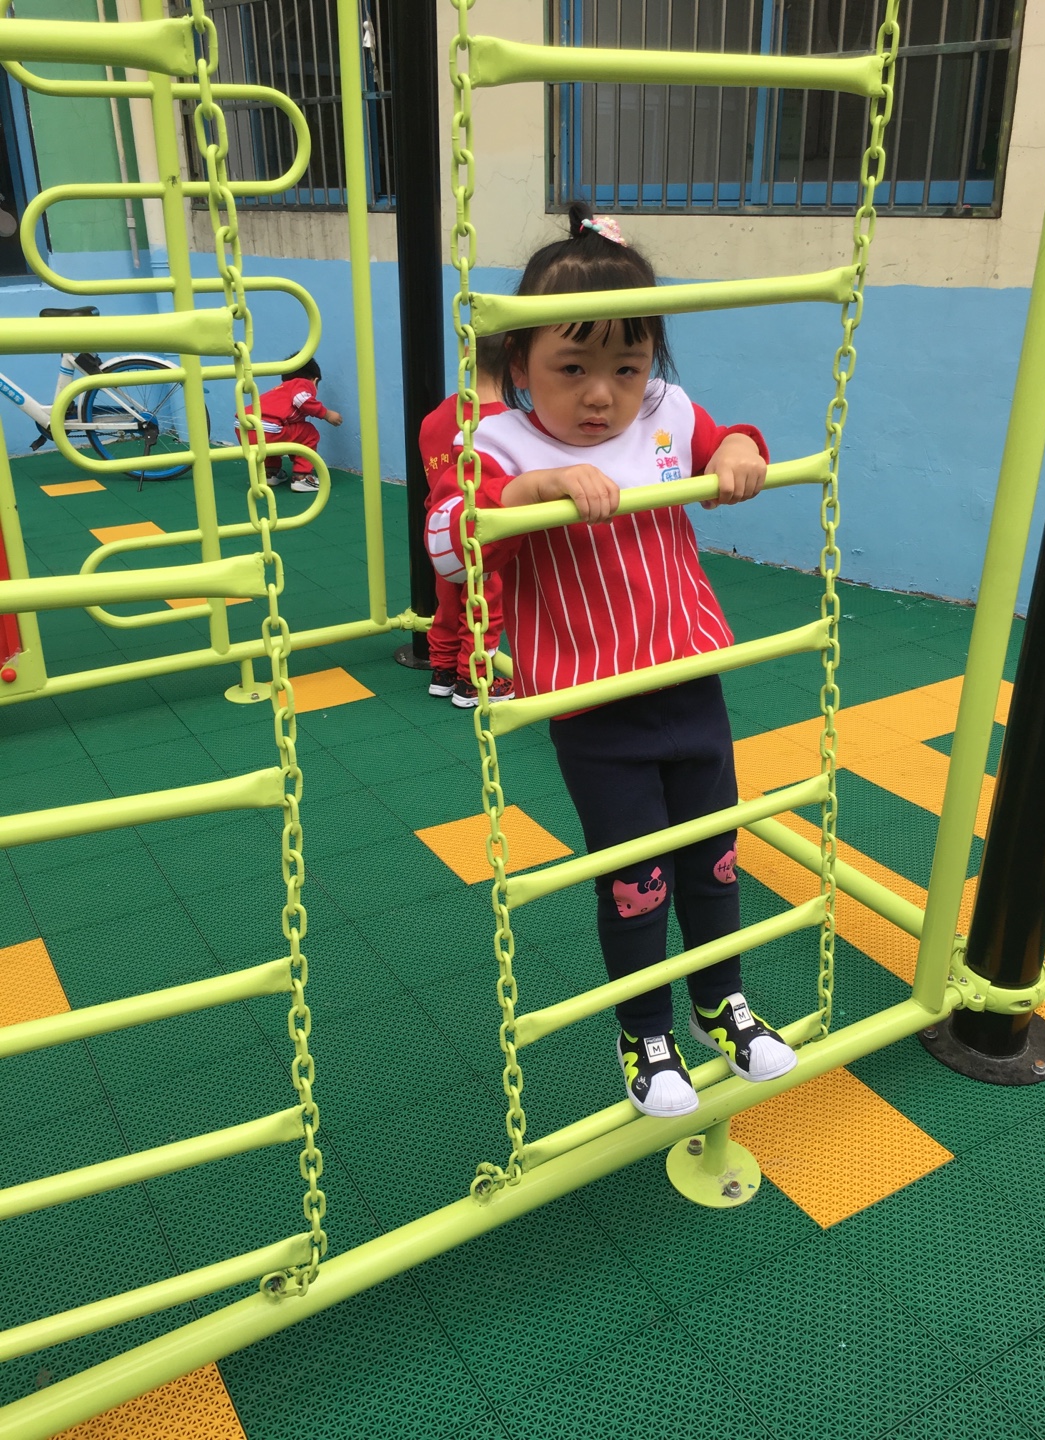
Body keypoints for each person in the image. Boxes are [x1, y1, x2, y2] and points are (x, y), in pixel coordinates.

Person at [425, 204, 797, 1120]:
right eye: (573, 369)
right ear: (519, 365)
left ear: (651, 364)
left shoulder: (665, 414)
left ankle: (722, 1002)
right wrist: (533, 489)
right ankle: (645, 1031)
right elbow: (447, 544)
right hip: (597, 709)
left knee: (713, 856)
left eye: (626, 367)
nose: (602, 395)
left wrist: (740, 447)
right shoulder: (497, 444)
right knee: (638, 882)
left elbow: (724, 442)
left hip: (690, 682)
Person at [419, 333, 514, 707]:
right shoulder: (510, 427)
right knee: (483, 607)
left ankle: (442, 670)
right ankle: (473, 681)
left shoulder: (434, 420)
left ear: (465, 352)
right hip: (484, 535)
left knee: (448, 600)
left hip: (440, 530)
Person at [238, 355, 341, 493]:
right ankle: (302, 478)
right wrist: (326, 414)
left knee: (279, 436)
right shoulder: (302, 383)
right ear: (315, 380)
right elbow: (301, 400)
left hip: (243, 427)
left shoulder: (280, 389)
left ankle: (270, 473)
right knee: (308, 433)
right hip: (268, 428)